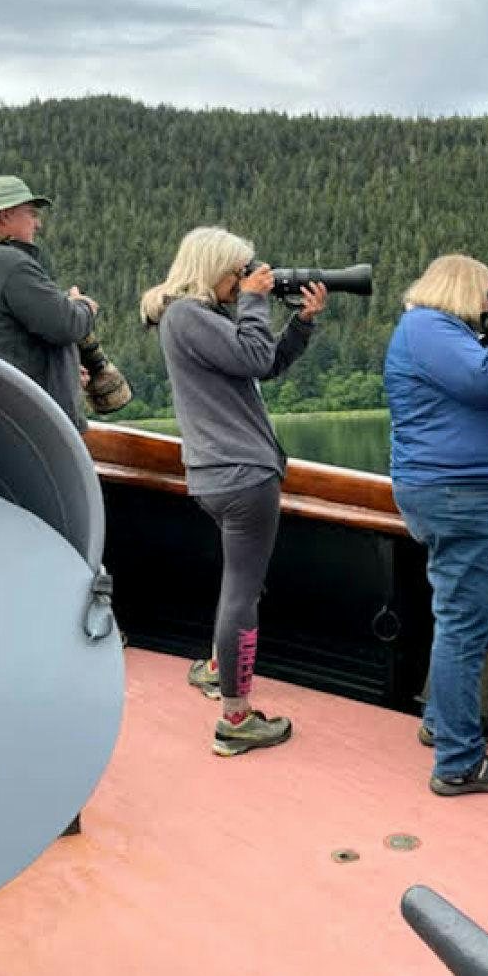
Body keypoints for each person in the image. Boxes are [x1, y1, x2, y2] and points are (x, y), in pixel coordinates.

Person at [140, 226, 327, 757]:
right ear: (214, 269)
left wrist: (302, 323)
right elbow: (251, 356)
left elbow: (261, 362)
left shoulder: (189, 319)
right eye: (239, 271)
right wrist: (254, 301)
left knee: (239, 585)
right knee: (243, 594)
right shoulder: (190, 316)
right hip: (242, 475)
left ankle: (220, 669)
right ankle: (236, 718)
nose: (245, 279)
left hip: (220, 473)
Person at [383, 254, 488, 796]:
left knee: (469, 614)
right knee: (465, 622)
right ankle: (458, 762)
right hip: (457, 493)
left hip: (454, 491)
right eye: (487, 292)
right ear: (465, 287)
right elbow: (487, 385)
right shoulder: (430, 327)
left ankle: (448, 720)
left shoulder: (437, 331)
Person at [0, 175, 98, 432]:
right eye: (31, 214)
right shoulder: (9, 264)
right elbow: (65, 325)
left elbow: (5, 344)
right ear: (5, 215)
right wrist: (84, 308)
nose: (38, 223)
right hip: (34, 419)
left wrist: (65, 371)